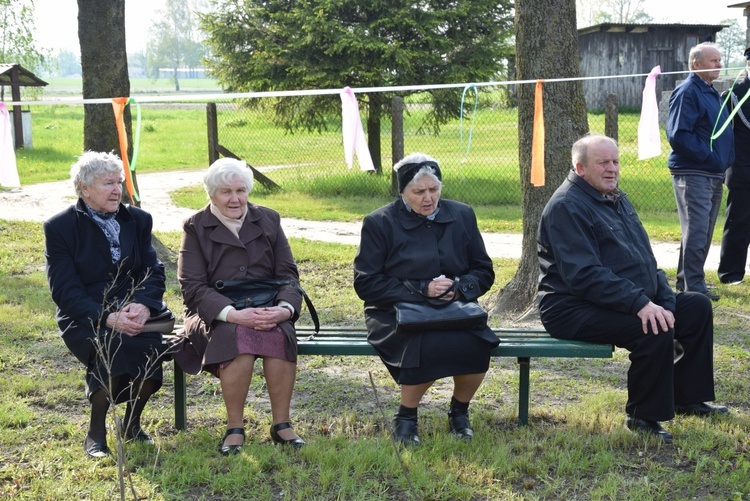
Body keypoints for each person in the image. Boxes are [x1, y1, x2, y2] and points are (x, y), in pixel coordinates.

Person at [538, 134, 729, 444]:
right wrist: (640, 304)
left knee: (695, 307)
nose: (612, 169)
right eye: (603, 162)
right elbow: (584, 275)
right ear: (580, 167)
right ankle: (643, 415)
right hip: (570, 308)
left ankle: (688, 398)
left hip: (617, 299)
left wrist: (663, 299)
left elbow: (645, 258)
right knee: (651, 326)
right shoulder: (566, 206)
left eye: (615, 161)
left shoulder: (615, 197)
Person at [353, 153, 498, 446]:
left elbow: (483, 270)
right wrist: (421, 288)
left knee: (478, 344)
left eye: (434, 189)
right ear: (402, 192)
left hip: (454, 308)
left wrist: (459, 287)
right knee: (425, 344)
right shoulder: (379, 222)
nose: (428, 198)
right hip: (394, 311)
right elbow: (366, 283)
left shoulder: (462, 215)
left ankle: (459, 412)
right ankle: (406, 416)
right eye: (419, 192)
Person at [175, 157, 306, 455]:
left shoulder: (269, 219)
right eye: (225, 192)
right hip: (214, 312)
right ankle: (235, 427)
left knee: (279, 332)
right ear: (211, 195)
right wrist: (233, 314)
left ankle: (282, 424)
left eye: (240, 190)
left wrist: (284, 308)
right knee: (237, 338)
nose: (235, 198)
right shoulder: (196, 226)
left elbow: (288, 274)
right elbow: (192, 287)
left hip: (266, 306)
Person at [44, 151, 168, 458]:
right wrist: (106, 317)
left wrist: (143, 305)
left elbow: (153, 270)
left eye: (119, 182)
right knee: (110, 347)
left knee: (149, 345)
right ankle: (96, 432)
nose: (117, 190)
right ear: (84, 189)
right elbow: (64, 290)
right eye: (107, 183)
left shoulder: (137, 219)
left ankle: (132, 425)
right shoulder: (60, 227)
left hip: (134, 308)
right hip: (85, 314)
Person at [667, 41, 735, 300]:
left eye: (720, 59)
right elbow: (678, 134)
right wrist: (709, 158)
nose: (719, 64)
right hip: (694, 171)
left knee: (703, 230)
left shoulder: (710, 91)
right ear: (696, 64)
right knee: (696, 229)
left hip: (713, 172)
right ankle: (694, 288)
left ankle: (689, 283)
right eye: (713, 60)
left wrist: (724, 160)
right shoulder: (687, 91)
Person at [718, 47, 750, 285]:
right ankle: (731, 274)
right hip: (743, 170)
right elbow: (719, 134)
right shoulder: (734, 94)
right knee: (738, 224)